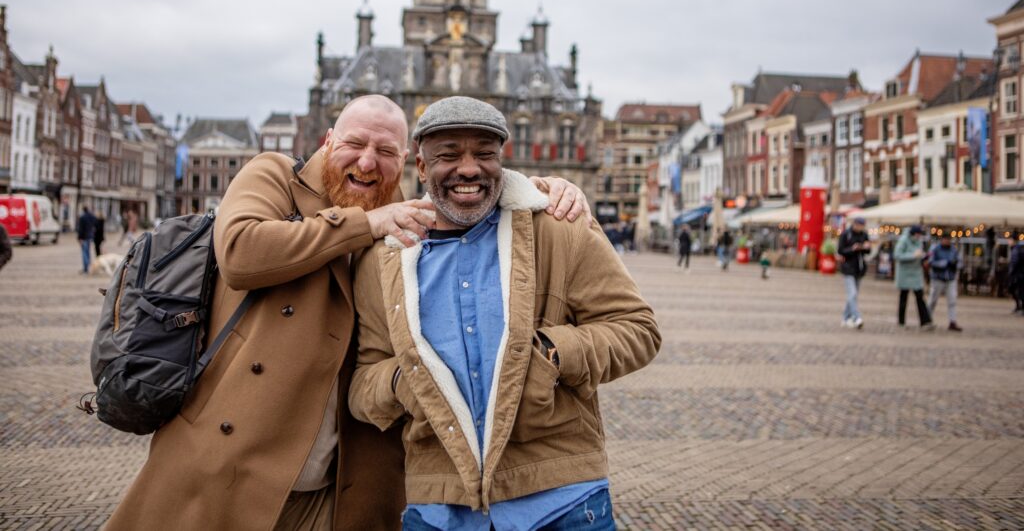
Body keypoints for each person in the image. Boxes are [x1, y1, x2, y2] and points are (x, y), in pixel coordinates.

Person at [105, 94, 592, 531]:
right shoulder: (276, 176)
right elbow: (240, 253)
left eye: (385, 153)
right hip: (233, 462)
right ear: (327, 140)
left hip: (342, 484)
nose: (367, 161)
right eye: (355, 144)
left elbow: (471, 193)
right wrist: (364, 223)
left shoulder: (407, 215)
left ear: (406, 162)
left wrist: (547, 191)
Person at [349, 97, 660, 531]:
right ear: (419, 167)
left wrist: (551, 355)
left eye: (484, 153)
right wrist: (404, 383)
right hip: (440, 510)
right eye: (449, 155)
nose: (470, 168)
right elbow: (362, 383)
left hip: (562, 503)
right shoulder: (380, 261)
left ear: (502, 159)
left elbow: (639, 330)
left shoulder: (560, 227)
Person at [894, 225, 935, 330]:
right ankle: (901, 321)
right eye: (918, 234)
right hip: (904, 273)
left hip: (916, 273)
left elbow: (919, 253)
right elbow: (897, 255)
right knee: (903, 297)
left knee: (920, 297)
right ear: (913, 233)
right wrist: (913, 255)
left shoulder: (919, 241)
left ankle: (925, 321)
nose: (919, 236)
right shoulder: (903, 240)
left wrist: (924, 257)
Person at [837, 217, 870, 329]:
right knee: (852, 294)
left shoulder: (864, 235)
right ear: (854, 224)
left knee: (853, 295)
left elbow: (868, 251)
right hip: (848, 268)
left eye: (862, 226)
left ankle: (845, 318)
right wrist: (852, 249)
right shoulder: (846, 234)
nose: (861, 227)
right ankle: (857, 318)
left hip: (859, 269)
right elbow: (840, 250)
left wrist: (865, 248)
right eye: (859, 225)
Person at [927, 233, 962, 331]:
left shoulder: (953, 249)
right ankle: (927, 319)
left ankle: (952, 321)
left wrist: (955, 265)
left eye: (948, 239)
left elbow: (959, 261)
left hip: (950, 279)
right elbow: (930, 261)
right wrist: (944, 264)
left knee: (952, 301)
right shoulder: (935, 249)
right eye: (945, 239)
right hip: (938, 278)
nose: (947, 241)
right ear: (941, 239)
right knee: (933, 300)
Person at [76, 206, 96, 275]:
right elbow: (95, 224)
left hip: (84, 237)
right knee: (88, 252)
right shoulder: (92, 216)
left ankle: (86, 269)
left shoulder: (82, 217)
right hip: (89, 236)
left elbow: (80, 229)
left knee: (84, 253)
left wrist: (79, 238)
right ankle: (89, 267)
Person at [1009, 241, 1024, 315]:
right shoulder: (1018, 249)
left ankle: (1019, 307)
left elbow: (1015, 262)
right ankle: (1019, 307)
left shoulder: (1016, 249)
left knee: (1018, 291)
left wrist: (1011, 272)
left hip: (1018, 275)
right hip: (1020, 274)